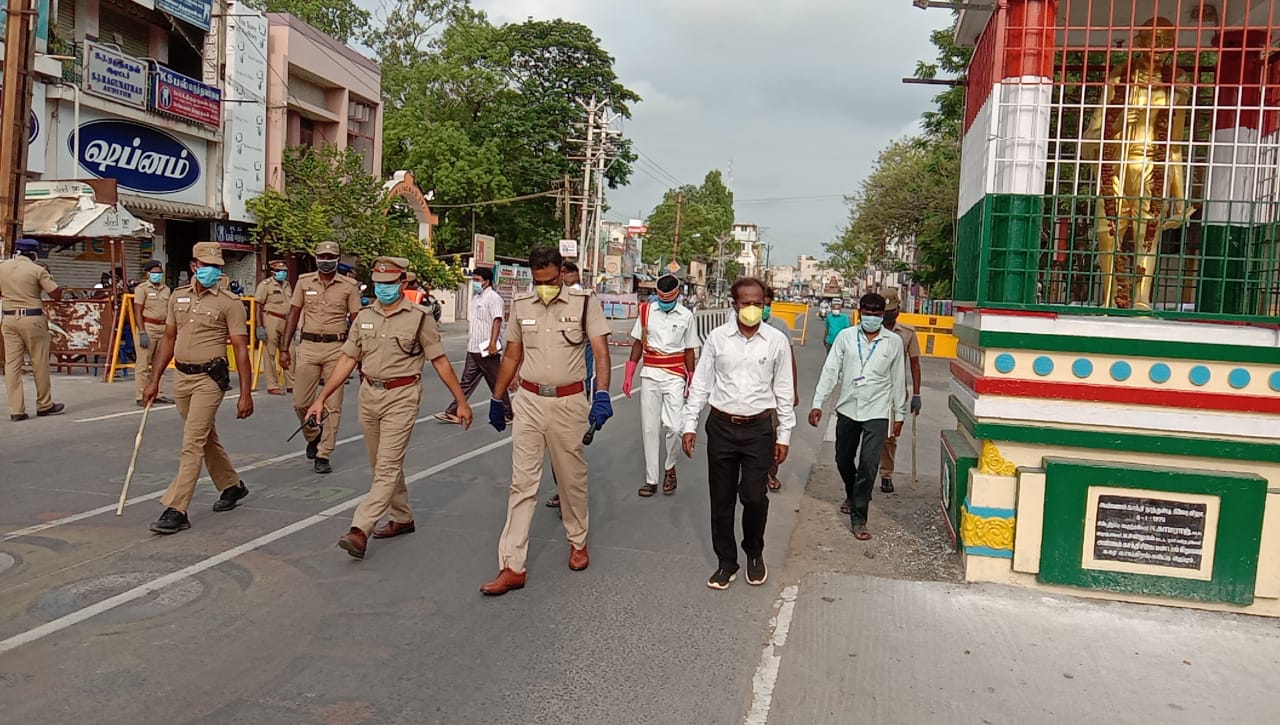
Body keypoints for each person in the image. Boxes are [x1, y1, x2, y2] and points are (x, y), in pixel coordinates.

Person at [306, 257, 473, 559]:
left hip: (402, 396)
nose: (382, 289)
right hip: (369, 394)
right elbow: (347, 359)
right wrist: (321, 398)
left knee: (385, 467)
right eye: (378, 284)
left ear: (403, 283)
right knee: (380, 464)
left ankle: (360, 529)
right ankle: (402, 517)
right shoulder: (364, 316)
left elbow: (439, 361)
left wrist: (461, 401)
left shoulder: (420, 318)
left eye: (389, 284)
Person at [480, 246, 612, 596]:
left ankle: (578, 541)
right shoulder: (522, 306)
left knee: (571, 479)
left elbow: (600, 352)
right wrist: (497, 397)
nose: (545, 288)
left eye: (551, 280)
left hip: (569, 401)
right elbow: (512, 354)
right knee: (522, 483)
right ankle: (512, 565)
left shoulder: (584, 303)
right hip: (530, 401)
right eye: (539, 282)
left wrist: (601, 394)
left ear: (561, 273)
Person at [681, 277, 795, 590]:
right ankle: (726, 562)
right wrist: (689, 424)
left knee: (754, 497)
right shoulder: (718, 339)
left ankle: (754, 552)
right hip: (721, 427)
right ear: (734, 305)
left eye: (758, 303)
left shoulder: (775, 341)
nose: (752, 308)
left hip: (759, 429)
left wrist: (783, 435)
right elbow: (701, 384)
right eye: (746, 303)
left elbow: (784, 390)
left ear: (765, 304)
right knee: (721, 499)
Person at [142, 242, 254, 535]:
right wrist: (154, 381)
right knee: (204, 437)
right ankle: (232, 485)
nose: (211, 272)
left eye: (216, 267)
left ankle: (177, 508)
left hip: (209, 379)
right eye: (206, 266)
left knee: (191, 442)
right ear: (194, 266)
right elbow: (168, 340)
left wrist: (245, 393)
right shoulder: (177, 297)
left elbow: (241, 350)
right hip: (182, 377)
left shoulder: (230, 303)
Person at [808, 293, 906, 541]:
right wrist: (818, 403)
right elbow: (831, 370)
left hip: (878, 410)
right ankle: (852, 492)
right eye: (867, 312)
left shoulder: (893, 342)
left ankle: (859, 518)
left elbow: (898, 379)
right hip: (848, 407)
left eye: (876, 313)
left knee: (869, 463)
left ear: (883, 315)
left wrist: (900, 413)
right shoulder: (846, 338)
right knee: (843, 457)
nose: (871, 317)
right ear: (860, 311)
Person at [280, 242, 361, 475]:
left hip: (337, 348)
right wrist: (284, 349)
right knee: (300, 401)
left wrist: (358, 354)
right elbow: (294, 314)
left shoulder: (349, 286)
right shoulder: (305, 282)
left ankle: (324, 452)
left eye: (331, 256)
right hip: (308, 347)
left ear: (337, 259)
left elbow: (356, 320)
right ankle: (313, 435)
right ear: (315, 258)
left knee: (333, 404)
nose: (326, 259)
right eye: (322, 256)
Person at [622, 273, 698, 497]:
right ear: (657, 295)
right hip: (650, 374)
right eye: (661, 299)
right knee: (649, 427)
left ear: (677, 295)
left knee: (675, 427)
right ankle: (651, 479)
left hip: (675, 374)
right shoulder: (646, 312)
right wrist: (630, 371)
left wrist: (691, 376)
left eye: (669, 299)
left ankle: (670, 466)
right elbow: (638, 342)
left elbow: (689, 349)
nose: (664, 303)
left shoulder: (686, 316)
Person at [544, 261, 595, 509]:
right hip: (546, 388)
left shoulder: (586, 303)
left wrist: (591, 392)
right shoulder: (545, 303)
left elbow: (595, 352)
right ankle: (561, 489)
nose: (565, 278)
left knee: (569, 446)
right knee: (553, 445)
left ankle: (570, 494)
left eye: (569, 273)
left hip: (575, 387)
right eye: (562, 273)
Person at [434, 266, 510, 425]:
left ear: (486, 281)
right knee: (467, 382)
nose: (474, 283)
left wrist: (492, 343)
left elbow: (497, 320)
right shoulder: (476, 298)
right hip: (473, 348)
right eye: (473, 279)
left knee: (496, 382)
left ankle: (508, 413)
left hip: (487, 348)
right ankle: (453, 410)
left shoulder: (494, 298)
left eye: (477, 280)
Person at [0, 238, 66, 421]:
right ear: (33, 254)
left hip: (9, 319)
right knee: (39, 362)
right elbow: (55, 294)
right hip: (32, 318)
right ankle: (44, 404)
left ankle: (16, 410)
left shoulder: (2, 268)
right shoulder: (37, 270)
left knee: (12, 365)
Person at [877, 289, 922, 494]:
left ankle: (886, 474)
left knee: (890, 436)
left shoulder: (907, 334)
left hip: (896, 392)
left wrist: (917, 394)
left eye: (891, 310)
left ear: (898, 310)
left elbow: (915, 364)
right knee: (868, 433)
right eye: (884, 311)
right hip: (872, 390)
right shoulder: (869, 331)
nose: (887, 315)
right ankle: (866, 472)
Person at [762, 286, 799, 491]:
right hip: (751, 393)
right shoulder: (734, 326)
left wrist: (793, 390)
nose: (763, 309)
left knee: (774, 434)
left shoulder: (781, 327)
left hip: (775, 393)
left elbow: (790, 361)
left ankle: (770, 473)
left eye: (767, 305)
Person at [131, 260, 174, 407]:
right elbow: (137, 311)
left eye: (159, 272)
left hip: (163, 328)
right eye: (154, 272)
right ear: (148, 274)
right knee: (143, 363)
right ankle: (141, 394)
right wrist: (142, 331)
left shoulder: (166, 290)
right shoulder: (142, 289)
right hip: (148, 326)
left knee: (159, 363)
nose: (157, 275)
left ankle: (158, 393)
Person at [254, 259, 293, 395]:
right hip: (271, 319)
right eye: (279, 271)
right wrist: (259, 326)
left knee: (289, 351)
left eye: (284, 272)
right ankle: (272, 385)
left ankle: (291, 384)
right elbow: (258, 305)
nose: (282, 274)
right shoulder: (265, 285)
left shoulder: (287, 285)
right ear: (273, 272)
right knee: (269, 353)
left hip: (286, 320)